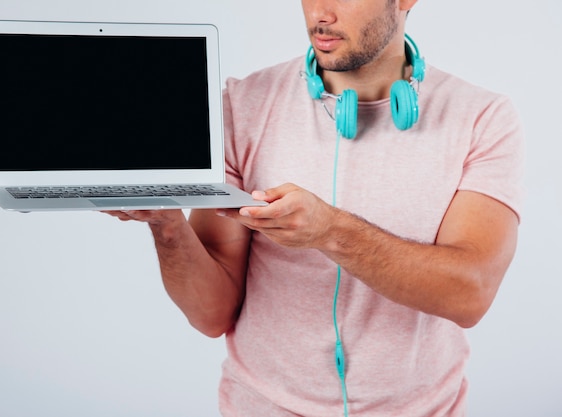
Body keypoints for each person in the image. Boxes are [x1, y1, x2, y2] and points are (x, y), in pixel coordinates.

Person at [105, 0, 523, 415]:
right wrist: (167, 225)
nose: (318, 13)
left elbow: (471, 294)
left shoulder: (483, 118)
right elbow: (211, 315)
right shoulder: (241, 105)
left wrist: (331, 231)